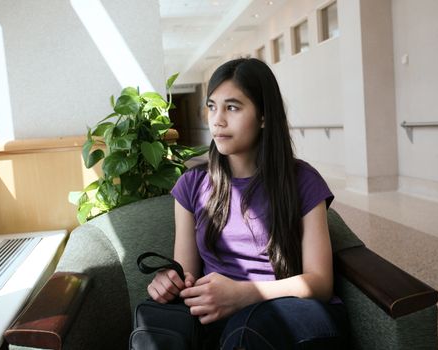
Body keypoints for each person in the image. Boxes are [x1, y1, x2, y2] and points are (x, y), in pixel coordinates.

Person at [147, 58, 348, 349]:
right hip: (223, 323)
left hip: (294, 314)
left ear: (264, 116)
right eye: (212, 106)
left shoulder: (302, 180)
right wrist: (169, 282)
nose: (217, 120)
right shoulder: (191, 185)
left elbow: (319, 283)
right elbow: (186, 275)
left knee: (247, 331)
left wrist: (244, 293)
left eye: (232, 107)